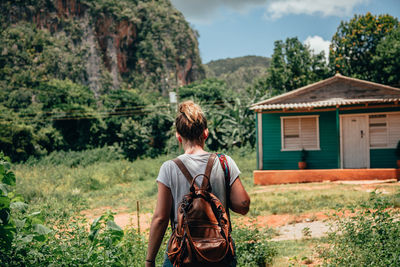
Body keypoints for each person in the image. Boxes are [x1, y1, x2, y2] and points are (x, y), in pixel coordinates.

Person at [146, 100, 250, 267]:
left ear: (178, 136)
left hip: (183, 253)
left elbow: (160, 218)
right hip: (219, 253)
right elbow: (243, 205)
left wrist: (150, 260)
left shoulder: (169, 168)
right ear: (206, 134)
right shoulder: (225, 162)